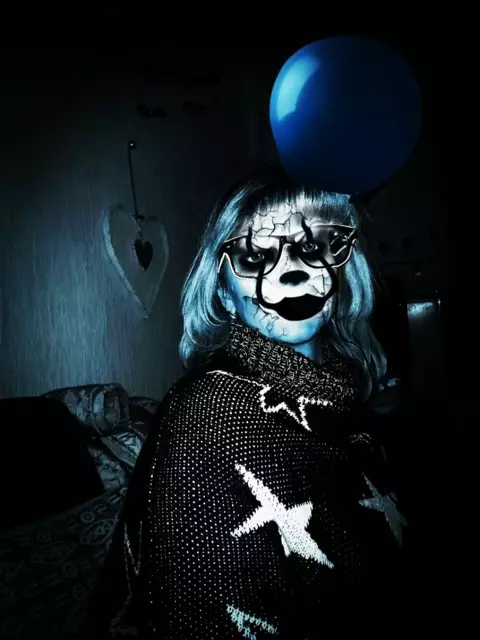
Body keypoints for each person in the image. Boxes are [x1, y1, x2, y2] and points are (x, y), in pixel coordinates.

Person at [83, 165, 410, 639]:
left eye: (313, 246)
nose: (292, 271)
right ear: (224, 292)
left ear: (342, 269)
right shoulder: (212, 415)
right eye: (255, 256)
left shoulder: (343, 400)